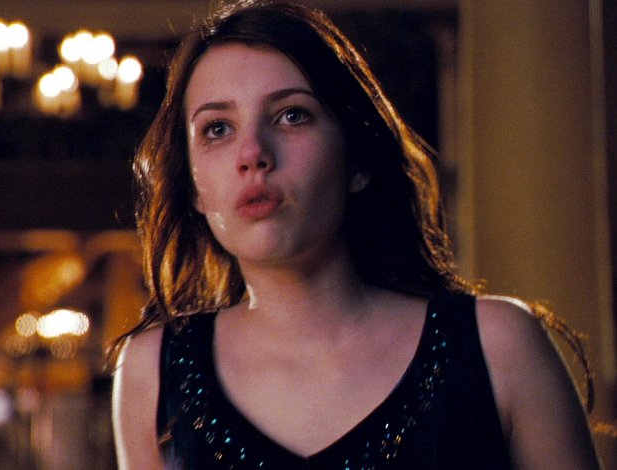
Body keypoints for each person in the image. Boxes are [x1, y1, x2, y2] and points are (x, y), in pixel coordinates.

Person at [110, 1, 602, 468]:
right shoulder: (153, 372)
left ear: (358, 159)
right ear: (192, 187)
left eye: (292, 115)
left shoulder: (497, 346)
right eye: (217, 129)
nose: (253, 153)